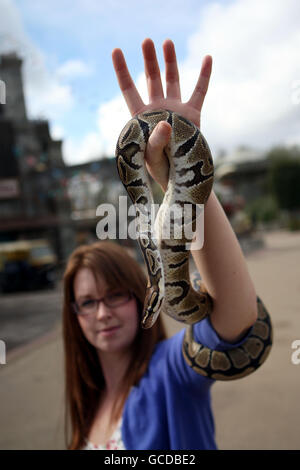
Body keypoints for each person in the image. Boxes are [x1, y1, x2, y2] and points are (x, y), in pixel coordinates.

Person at [62, 38, 261, 450]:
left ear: (143, 296)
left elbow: (237, 321)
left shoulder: (172, 372)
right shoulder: (86, 408)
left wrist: (183, 177)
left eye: (116, 295)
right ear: (73, 314)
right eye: (87, 301)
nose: (103, 313)